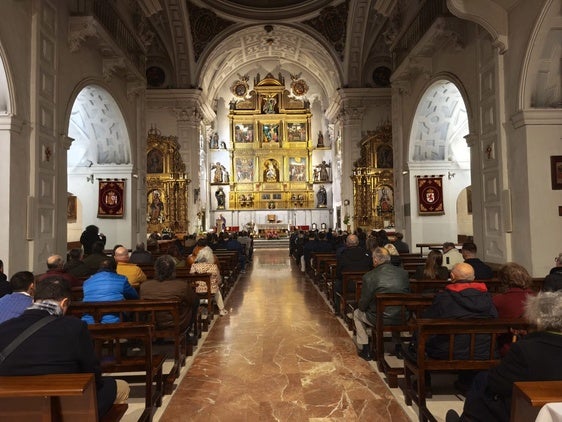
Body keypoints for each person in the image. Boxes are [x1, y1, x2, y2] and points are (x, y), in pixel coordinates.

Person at [0, 277, 129, 418]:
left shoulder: (4, 327)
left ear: (33, 300)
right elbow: (92, 374)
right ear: (64, 302)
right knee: (120, 387)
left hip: (12, 409)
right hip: (62, 408)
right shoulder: (75, 327)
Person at [447, 291, 562, 422]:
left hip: (527, 411)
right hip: (554, 406)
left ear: (536, 319)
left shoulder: (524, 349)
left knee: (483, 380)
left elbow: (497, 383)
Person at [353, 247, 409, 360]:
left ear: (375, 260)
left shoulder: (369, 276)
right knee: (396, 308)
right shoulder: (403, 273)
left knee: (357, 314)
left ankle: (365, 348)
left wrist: (362, 307)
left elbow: (363, 305)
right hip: (402, 316)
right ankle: (398, 346)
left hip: (378, 317)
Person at [140, 255, 199, 338]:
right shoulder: (181, 285)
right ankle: (188, 332)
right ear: (173, 270)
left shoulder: (144, 286)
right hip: (177, 323)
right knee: (193, 303)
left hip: (152, 324)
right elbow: (195, 301)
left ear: (156, 269)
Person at [492, 262, 536, 355]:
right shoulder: (537, 298)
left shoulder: (498, 300)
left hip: (509, 347)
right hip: (535, 347)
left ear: (503, 280)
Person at [82, 257, 139, 324]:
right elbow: (134, 296)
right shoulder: (121, 279)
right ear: (115, 268)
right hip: (114, 321)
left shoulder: (87, 282)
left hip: (88, 321)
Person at [334, 234, 372, 315]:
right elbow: (371, 269)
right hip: (364, 284)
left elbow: (338, 273)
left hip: (347, 285)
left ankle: (337, 309)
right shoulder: (366, 254)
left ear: (346, 243)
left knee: (336, 284)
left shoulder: (342, 256)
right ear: (358, 243)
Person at [190, 246, 228, 316]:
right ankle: (221, 310)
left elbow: (191, 278)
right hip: (211, 290)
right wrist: (217, 283)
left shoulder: (194, 266)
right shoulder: (213, 266)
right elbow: (218, 280)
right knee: (217, 291)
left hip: (196, 290)